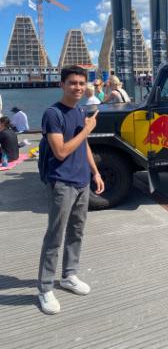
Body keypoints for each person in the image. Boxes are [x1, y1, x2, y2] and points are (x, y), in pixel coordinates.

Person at [37, 65, 105, 315]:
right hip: (61, 183)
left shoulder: (78, 111)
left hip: (82, 182)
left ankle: (68, 275)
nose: (78, 87)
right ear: (62, 85)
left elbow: (82, 144)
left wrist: (95, 172)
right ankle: (44, 287)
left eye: (81, 83)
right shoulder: (52, 114)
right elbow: (61, 151)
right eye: (72, 83)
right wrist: (87, 129)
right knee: (55, 236)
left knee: (77, 231)